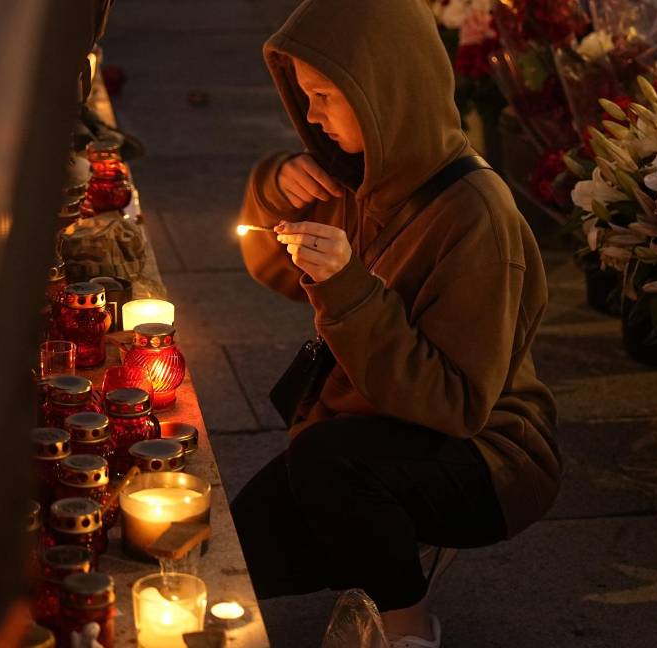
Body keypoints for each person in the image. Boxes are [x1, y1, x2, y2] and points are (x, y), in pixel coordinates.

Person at [231, 0, 562, 645]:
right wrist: (275, 189)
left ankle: (409, 626)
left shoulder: (476, 216)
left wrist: (348, 288)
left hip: (487, 455)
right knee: (243, 550)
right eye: (305, 97)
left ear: (384, 89)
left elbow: (456, 402)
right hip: (370, 428)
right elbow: (274, 267)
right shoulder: (359, 173)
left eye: (326, 95)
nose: (314, 115)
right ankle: (373, 552)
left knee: (329, 464)